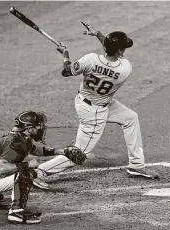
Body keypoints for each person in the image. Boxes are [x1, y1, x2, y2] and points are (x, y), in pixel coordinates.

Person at [35, 22, 160, 184]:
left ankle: (136, 165)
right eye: (123, 48)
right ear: (120, 51)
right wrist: (99, 35)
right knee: (79, 154)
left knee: (130, 118)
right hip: (95, 112)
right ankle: (40, 172)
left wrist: (65, 55)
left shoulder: (90, 60)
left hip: (87, 101)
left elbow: (66, 71)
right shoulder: (124, 69)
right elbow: (112, 55)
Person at [0, 111, 77, 224]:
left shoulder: (20, 138)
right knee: (27, 173)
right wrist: (27, 165)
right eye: (38, 126)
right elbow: (2, 168)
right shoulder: (16, 142)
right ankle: (16, 212)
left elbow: (35, 149)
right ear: (29, 128)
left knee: (20, 166)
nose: (40, 128)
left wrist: (61, 152)